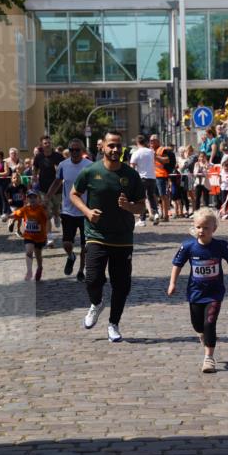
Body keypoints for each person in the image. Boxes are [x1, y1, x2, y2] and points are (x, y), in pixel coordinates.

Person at [70, 130, 145, 342]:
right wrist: (86, 212)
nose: (115, 150)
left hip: (122, 237)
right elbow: (73, 193)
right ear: (102, 146)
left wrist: (129, 206)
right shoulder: (91, 171)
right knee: (92, 279)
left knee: (122, 285)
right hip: (96, 234)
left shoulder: (131, 176)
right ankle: (96, 302)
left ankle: (114, 324)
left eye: (118, 146)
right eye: (111, 145)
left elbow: (141, 208)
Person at [167, 207, 228, 374]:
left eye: (206, 228)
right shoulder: (188, 246)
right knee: (198, 324)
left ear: (214, 229)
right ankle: (202, 334)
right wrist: (172, 283)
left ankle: (209, 358)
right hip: (195, 293)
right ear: (194, 227)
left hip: (215, 293)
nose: (201, 231)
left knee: (209, 322)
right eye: (198, 227)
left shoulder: (221, 246)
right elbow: (177, 265)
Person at [47, 138, 91, 281]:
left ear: (82, 151)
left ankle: (81, 270)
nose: (74, 152)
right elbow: (57, 182)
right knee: (67, 243)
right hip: (68, 210)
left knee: (85, 245)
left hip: (85, 210)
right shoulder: (63, 165)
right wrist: (47, 197)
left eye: (77, 150)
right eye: (71, 150)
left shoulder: (89, 166)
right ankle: (71, 256)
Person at [8, 189, 48, 281]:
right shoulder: (25, 209)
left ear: (38, 199)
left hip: (40, 237)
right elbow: (16, 214)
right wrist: (7, 217)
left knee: (38, 255)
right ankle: (29, 271)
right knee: (29, 252)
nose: (32, 199)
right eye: (30, 197)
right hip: (29, 236)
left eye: (34, 197)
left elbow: (48, 217)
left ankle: (40, 267)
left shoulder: (41, 209)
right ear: (27, 199)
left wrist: (46, 210)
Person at [33, 135, 63, 246]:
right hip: (43, 189)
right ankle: (49, 237)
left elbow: (63, 168)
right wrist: (34, 177)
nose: (47, 144)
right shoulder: (38, 157)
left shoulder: (58, 156)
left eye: (49, 142)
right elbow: (35, 169)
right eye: (45, 143)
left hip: (57, 188)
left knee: (56, 209)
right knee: (46, 213)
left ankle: (57, 215)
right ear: (42, 145)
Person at [128, 134, 159, 227]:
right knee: (151, 197)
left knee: (140, 198)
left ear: (137, 142)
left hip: (142, 178)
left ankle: (142, 219)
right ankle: (156, 213)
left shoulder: (136, 153)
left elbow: (132, 166)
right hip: (152, 177)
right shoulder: (151, 151)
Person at [150, 134, 172, 222]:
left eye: (153, 140)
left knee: (163, 196)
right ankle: (157, 215)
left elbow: (167, 160)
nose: (151, 142)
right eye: (150, 140)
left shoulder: (162, 150)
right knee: (155, 196)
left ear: (158, 141)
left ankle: (166, 216)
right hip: (152, 176)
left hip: (161, 176)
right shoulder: (150, 150)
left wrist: (156, 156)